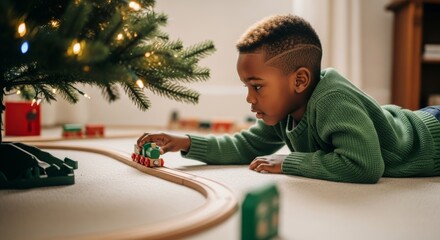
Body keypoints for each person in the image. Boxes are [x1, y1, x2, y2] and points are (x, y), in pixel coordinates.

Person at [137, 14, 440, 184]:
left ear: (300, 80)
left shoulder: (333, 99)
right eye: (246, 86)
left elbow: (364, 165)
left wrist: (289, 162)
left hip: (430, 137)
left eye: (257, 86)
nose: (249, 98)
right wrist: (187, 142)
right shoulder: (284, 111)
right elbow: (245, 146)